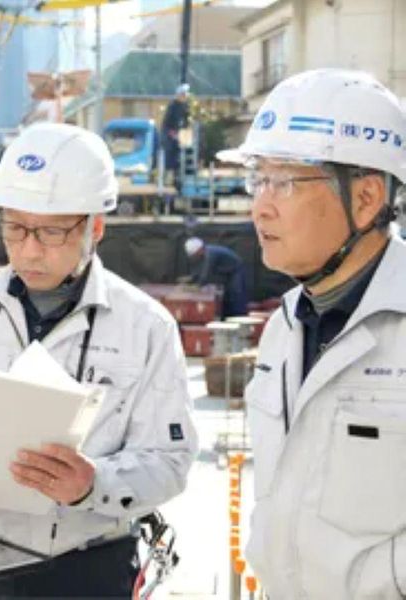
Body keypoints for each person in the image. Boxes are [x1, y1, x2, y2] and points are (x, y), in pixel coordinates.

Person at [0, 122, 197, 598]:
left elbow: (171, 461)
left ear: (95, 228)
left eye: (52, 232)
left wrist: (92, 484)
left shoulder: (144, 326)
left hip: (86, 570)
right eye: (15, 228)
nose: (29, 250)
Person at [218, 68, 406, 598]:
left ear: (366, 198)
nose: (260, 205)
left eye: (284, 183)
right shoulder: (286, 325)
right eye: (258, 180)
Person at [183, 236, 249, 317]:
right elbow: (201, 270)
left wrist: (197, 287)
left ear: (200, 249)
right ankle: (228, 315)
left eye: (195, 254)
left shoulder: (211, 254)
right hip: (227, 271)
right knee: (227, 294)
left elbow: (206, 273)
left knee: (236, 293)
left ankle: (239, 316)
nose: (195, 256)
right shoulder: (205, 253)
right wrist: (192, 278)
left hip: (236, 270)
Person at [161, 83, 190, 187]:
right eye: (183, 94)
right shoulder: (172, 106)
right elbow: (166, 123)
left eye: (185, 94)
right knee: (170, 156)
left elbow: (186, 122)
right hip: (170, 135)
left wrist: (184, 133)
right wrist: (173, 134)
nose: (185, 96)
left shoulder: (185, 106)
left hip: (180, 135)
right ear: (179, 95)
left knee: (181, 156)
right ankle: (168, 178)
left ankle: (178, 179)